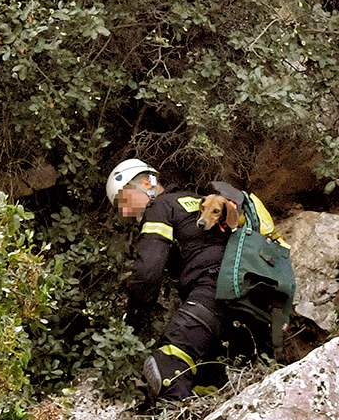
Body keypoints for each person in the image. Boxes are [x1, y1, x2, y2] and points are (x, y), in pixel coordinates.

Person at [106, 158, 283, 400]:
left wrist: (133, 318)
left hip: (214, 291)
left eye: (123, 201)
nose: (124, 212)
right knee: (208, 383)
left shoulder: (160, 206)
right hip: (254, 303)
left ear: (147, 183)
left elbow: (148, 272)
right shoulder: (200, 203)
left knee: (166, 367)